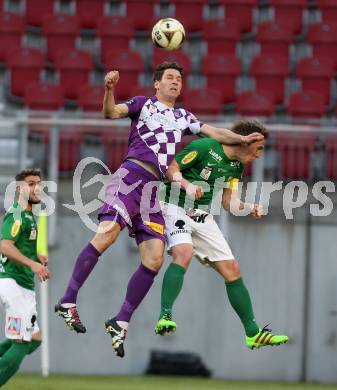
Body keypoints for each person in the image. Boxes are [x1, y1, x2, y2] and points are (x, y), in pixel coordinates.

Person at [55, 61, 264, 358]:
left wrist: (242, 139)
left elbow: (214, 132)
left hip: (154, 189)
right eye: (169, 77)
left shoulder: (183, 117)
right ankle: (67, 301)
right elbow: (110, 113)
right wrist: (110, 89)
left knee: (154, 260)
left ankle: (120, 321)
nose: (175, 82)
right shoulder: (143, 105)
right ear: (157, 84)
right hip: (131, 177)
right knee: (107, 234)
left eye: (179, 78)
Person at [155, 119, 289, 349]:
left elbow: (229, 202)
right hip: (171, 204)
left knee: (232, 270)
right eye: (259, 148)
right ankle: (165, 315)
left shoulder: (237, 167)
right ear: (246, 141)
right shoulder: (206, 147)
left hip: (200, 214)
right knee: (184, 253)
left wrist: (249, 208)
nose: (259, 155)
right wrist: (187, 185)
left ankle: (253, 333)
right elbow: (171, 168)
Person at [0, 169, 50, 386]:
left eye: (39, 183)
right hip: (14, 284)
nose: (37, 188)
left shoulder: (29, 214)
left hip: (23, 285)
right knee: (21, 342)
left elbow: (18, 245)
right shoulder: (17, 214)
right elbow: (4, 245)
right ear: (20, 188)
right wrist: (33, 264)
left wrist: (34, 255)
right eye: (31, 184)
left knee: (35, 339)